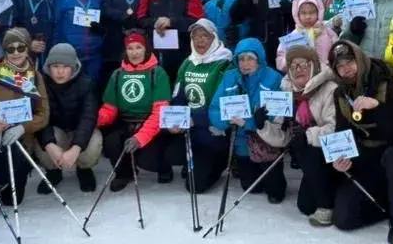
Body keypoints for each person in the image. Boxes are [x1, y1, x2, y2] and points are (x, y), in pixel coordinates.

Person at [319, 39, 393, 240]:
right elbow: (343, 132)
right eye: (340, 66)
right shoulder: (341, 93)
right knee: (343, 219)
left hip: (390, 154)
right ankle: (383, 205)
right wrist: (341, 160)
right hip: (364, 156)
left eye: (349, 62)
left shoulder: (388, 86)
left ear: (360, 60)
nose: (346, 69)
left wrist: (377, 108)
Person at [0, 29, 50, 213]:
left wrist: (23, 128)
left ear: (27, 49)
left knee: (14, 200)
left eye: (20, 47)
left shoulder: (35, 76)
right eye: (11, 49)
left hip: (24, 138)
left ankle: (5, 183)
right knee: (10, 152)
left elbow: (43, 113)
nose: (16, 52)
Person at [208, 38, 287, 203]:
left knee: (275, 190)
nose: (245, 63)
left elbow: (280, 113)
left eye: (250, 58)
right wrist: (226, 121)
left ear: (259, 59)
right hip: (241, 141)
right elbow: (215, 108)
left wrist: (251, 123)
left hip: (266, 139)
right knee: (251, 186)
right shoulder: (230, 77)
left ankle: (274, 176)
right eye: (241, 59)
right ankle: (244, 167)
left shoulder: (273, 78)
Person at [97, 31, 171, 190]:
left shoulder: (157, 73)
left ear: (146, 49)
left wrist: (140, 137)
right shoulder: (117, 74)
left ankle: (163, 166)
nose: (134, 52)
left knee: (150, 155)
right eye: (130, 48)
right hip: (126, 121)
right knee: (112, 141)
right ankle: (125, 173)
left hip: (151, 123)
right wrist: (95, 119)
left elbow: (160, 112)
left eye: (138, 47)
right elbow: (110, 108)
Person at [165, 20, 232, 193]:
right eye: (195, 37)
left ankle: (219, 162)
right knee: (169, 153)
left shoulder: (224, 64)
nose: (200, 41)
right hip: (190, 128)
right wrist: (177, 119)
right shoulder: (188, 63)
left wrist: (196, 119)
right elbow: (178, 95)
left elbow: (222, 104)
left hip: (211, 130)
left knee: (195, 186)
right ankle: (192, 163)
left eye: (205, 36)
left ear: (214, 38)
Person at [276, 46, 339, 225]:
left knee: (304, 144)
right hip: (308, 156)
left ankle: (326, 205)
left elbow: (334, 127)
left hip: (331, 152)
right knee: (305, 206)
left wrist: (307, 135)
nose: (298, 70)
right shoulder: (287, 92)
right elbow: (283, 136)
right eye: (293, 66)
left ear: (313, 65)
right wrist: (262, 125)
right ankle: (326, 190)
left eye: (303, 64)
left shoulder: (330, 88)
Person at [33, 43, 102, 193]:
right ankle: (53, 171)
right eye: (55, 66)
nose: (60, 71)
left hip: (78, 130)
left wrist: (76, 148)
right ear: (48, 66)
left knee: (93, 143)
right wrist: (50, 145)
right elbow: (40, 116)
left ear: (74, 67)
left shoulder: (86, 83)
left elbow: (88, 118)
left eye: (65, 66)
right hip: (56, 130)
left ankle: (84, 169)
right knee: (43, 144)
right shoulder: (41, 84)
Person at [138, 0, 205, 81]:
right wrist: (155, 22)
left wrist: (171, 22)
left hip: (183, 51)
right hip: (155, 52)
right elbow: (140, 19)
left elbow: (197, 21)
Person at [51, 0, 105, 86]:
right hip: (71, 57)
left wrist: (101, 30)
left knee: (92, 92)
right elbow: (56, 28)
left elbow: (103, 24)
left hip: (93, 56)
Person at [275, 0, 336, 71]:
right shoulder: (293, 36)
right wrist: (290, 61)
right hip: (302, 74)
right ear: (297, 15)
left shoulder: (327, 32)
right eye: (303, 13)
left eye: (312, 12)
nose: (308, 17)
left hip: (327, 73)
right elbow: (280, 59)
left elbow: (337, 49)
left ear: (319, 13)